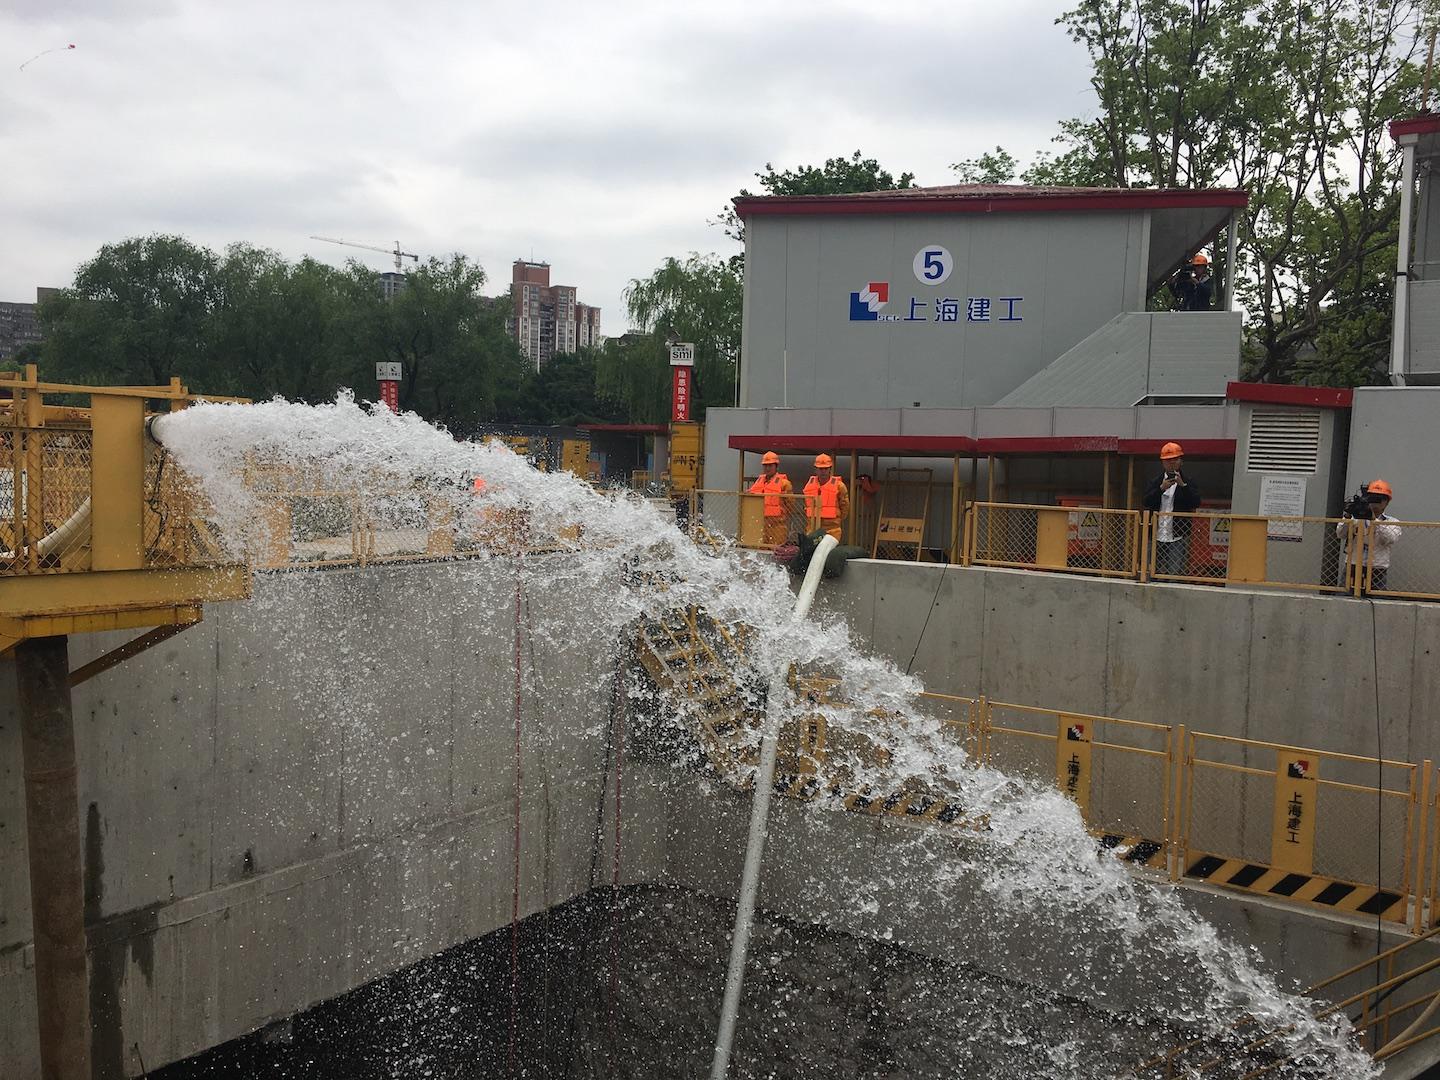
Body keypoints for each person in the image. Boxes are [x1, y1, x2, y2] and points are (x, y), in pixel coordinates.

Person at [1143, 442, 1202, 577]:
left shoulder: (1188, 482)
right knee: (1152, 572)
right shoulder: (1155, 482)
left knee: (1174, 573)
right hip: (1156, 534)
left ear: (1181, 461)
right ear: (1163, 463)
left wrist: (1183, 486)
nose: (1171, 463)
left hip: (1177, 536)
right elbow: (1146, 502)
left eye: (1175, 459)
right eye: (1168, 460)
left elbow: (1195, 502)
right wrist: (1161, 489)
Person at [1337, 479, 1401, 593]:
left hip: (1377, 570)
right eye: (1372, 498)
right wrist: (1347, 516)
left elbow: (1390, 538)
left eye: (1379, 499)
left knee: (1377, 602)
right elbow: (1340, 534)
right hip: (1353, 566)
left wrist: (1374, 520)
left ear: (1386, 502)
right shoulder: (1355, 518)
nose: (1375, 503)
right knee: (1344, 598)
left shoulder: (1391, 522)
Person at [748, 451, 793, 547]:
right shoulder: (758, 482)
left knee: (776, 549)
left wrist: (782, 515)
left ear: (776, 466)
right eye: (765, 466)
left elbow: (790, 504)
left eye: (770, 465)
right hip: (760, 523)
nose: (767, 468)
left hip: (777, 525)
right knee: (758, 548)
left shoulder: (784, 483)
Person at [803, 453, 849, 542]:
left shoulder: (839, 485)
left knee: (827, 549)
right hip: (812, 528)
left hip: (832, 529)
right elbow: (806, 504)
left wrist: (836, 518)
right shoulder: (809, 485)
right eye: (820, 469)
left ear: (830, 469)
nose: (823, 471)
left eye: (826, 469)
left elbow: (845, 506)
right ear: (816, 470)